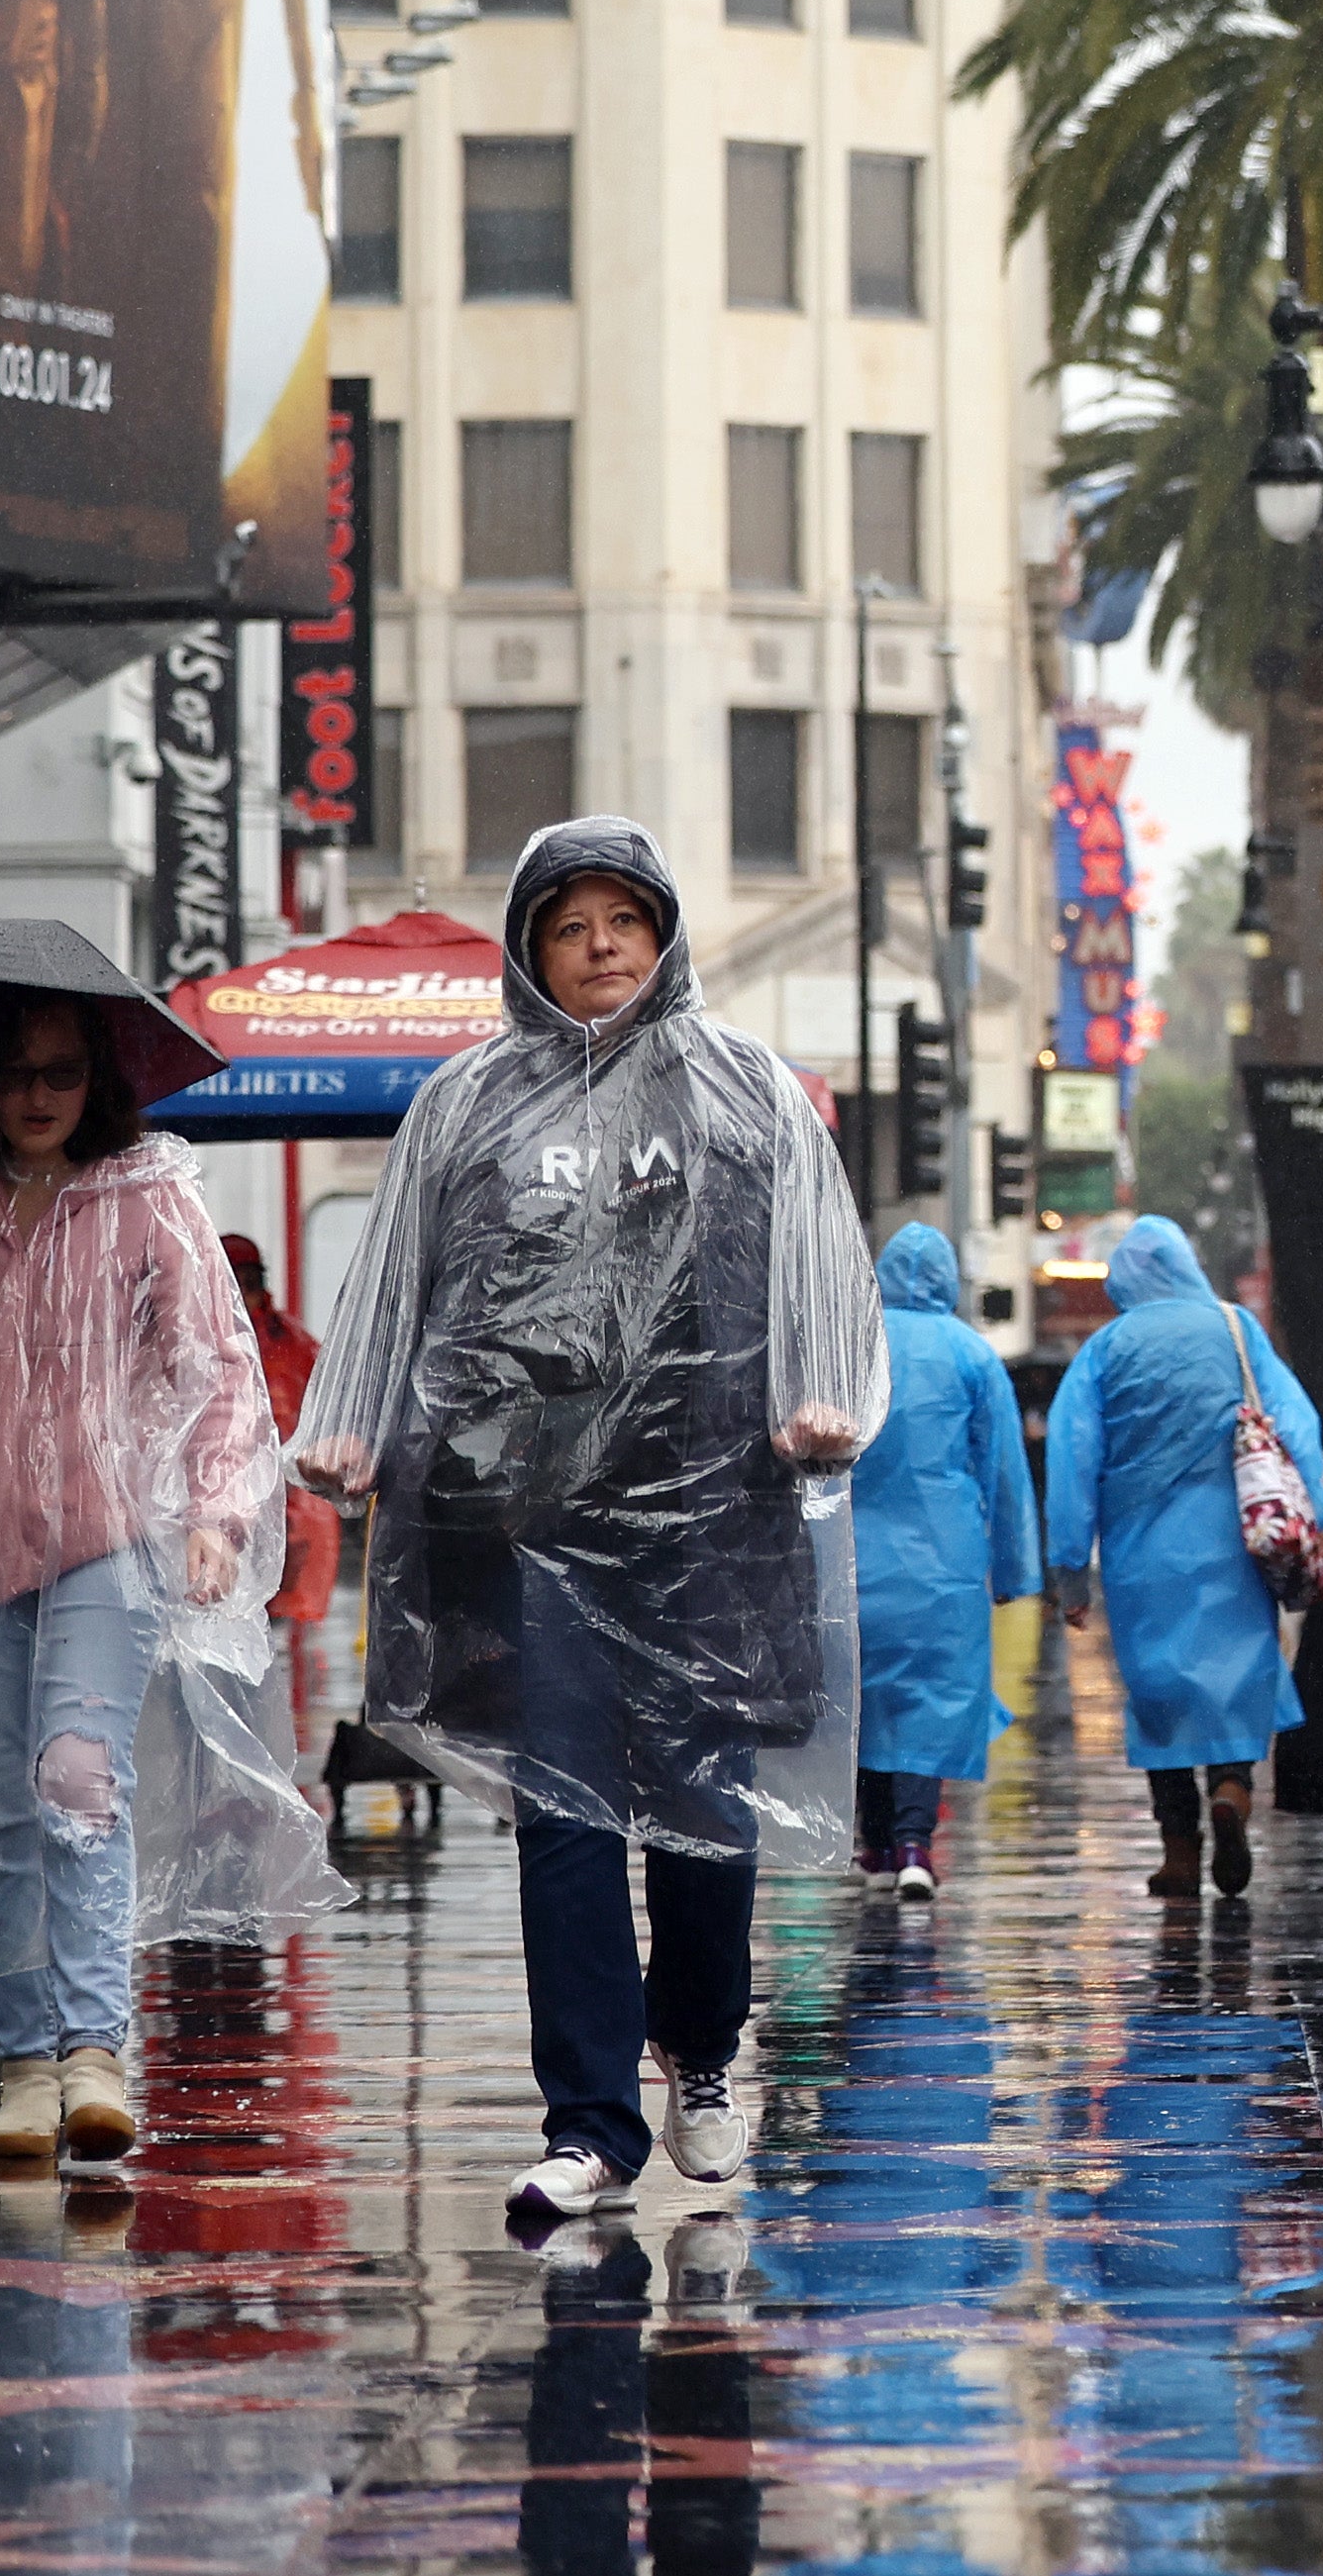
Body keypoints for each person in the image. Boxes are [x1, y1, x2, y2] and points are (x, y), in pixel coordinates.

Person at [290, 822, 883, 2229]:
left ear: (667, 935)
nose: (604, 944)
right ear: (530, 947)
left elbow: (822, 1264)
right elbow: (395, 1279)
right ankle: (590, 2124)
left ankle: (705, 2050)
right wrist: (349, 1416)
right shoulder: (465, 1105)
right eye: (573, 923)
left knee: (697, 1813)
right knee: (560, 1820)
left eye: (629, 918)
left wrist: (825, 1400)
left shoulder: (749, 1093)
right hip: (523, 1518)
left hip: (710, 1512)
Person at [0, 987, 311, 2169]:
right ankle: (26, 2061)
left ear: (96, 1082)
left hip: (105, 1538)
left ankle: (95, 2049)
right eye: (16, 1073)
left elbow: (216, 1372)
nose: (39, 1096)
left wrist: (213, 1514)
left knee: (78, 1778)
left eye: (61, 1073)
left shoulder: (150, 1202)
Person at [1042, 1219, 1317, 1903]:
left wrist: (1070, 1569)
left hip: (1144, 1556)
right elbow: (1296, 1421)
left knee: (1161, 1699)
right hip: (1233, 1542)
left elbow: (1073, 1459)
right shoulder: (1235, 1329)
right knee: (1233, 1682)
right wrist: (1318, 1514)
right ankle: (1231, 1790)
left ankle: (1179, 1853)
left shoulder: (1106, 1349)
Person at [849, 1223, 1040, 1900]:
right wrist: (1017, 1572)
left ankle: (871, 1842)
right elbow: (1004, 1473)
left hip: (855, 1560)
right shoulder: (972, 1354)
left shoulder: (851, 1345)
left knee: (864, 1700)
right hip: (944, 1560)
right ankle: (914, 1844)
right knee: (927, 1703)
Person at [225, 1235, 343, 1641]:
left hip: (292, 1504)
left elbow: (330, 1404)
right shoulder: (204, 1338)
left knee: (285, 1629)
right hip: (234, 1502)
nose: (242, 1292)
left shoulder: (291, 1341)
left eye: (248, 1280)